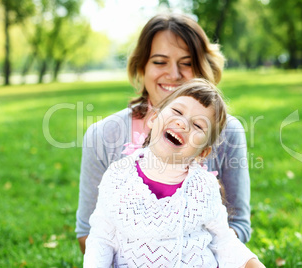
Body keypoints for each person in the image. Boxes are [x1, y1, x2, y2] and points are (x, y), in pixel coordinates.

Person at [76, 13, 252, 254]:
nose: (174, 74)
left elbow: (239, 225)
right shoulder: (103, 135)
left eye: (187, 63)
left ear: (203, 68)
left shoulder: (228, 132)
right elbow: (87, 233)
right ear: (142, 66)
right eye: (159, 62)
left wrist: (189, 253)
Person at [83, 79, 265, 268]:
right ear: (153, 118)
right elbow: (102, 239)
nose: (183, 123)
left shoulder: (204, 186)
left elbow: (223, 241)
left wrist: (251, 264)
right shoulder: (118, 177)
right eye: (177, 112)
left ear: (203, 152)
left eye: (198, 126)